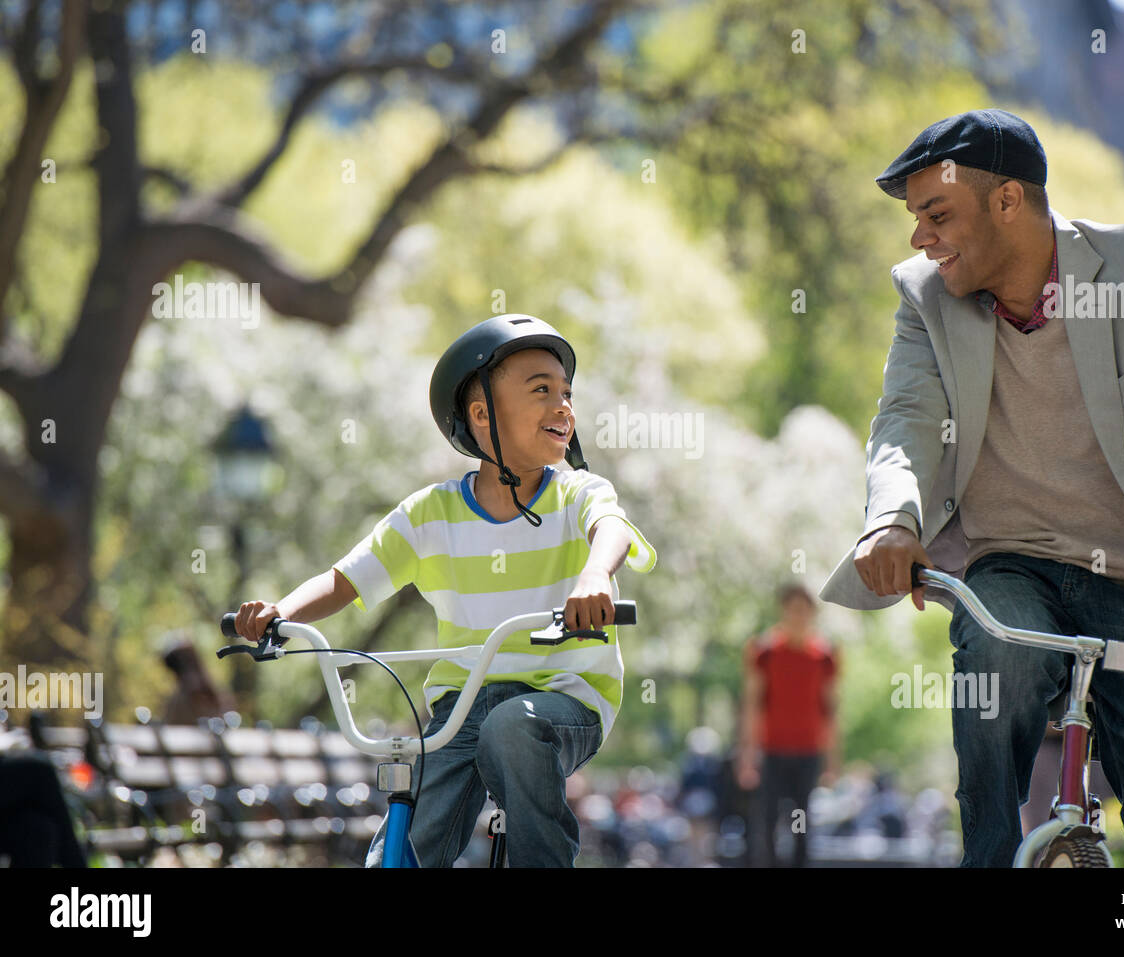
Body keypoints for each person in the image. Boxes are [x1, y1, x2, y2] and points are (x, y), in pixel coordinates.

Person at [820, 109, 1124, 867]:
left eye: (936, 213)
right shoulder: (926, 298)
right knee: (997, 662)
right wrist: (891, 521)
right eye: (916, 219)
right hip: (1015, 563)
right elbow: (905, 422)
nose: (920, 237)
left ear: (1009, 200)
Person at [233, 314, 655, 867]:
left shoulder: (578, 493)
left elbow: (612, 529)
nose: (564, 407)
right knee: (407, 841)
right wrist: (280, 613)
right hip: (462, 706)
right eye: (541, 391)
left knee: (512, 728)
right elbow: (345, 579)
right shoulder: (432, 514)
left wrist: (594, 576)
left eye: (567, 393)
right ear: (481, 414)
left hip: (565, 695)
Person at [738, 583, 839, 867]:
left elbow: (831, 711)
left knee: (803, 823)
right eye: (793, 610)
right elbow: (752, 705)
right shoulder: (763, 652)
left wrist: (832, 761)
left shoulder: (825, 656)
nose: (799, 616)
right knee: (767, 822)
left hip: (808, 751)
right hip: (772, 750)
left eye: (804, 610)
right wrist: (747, 756)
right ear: (783, 611)